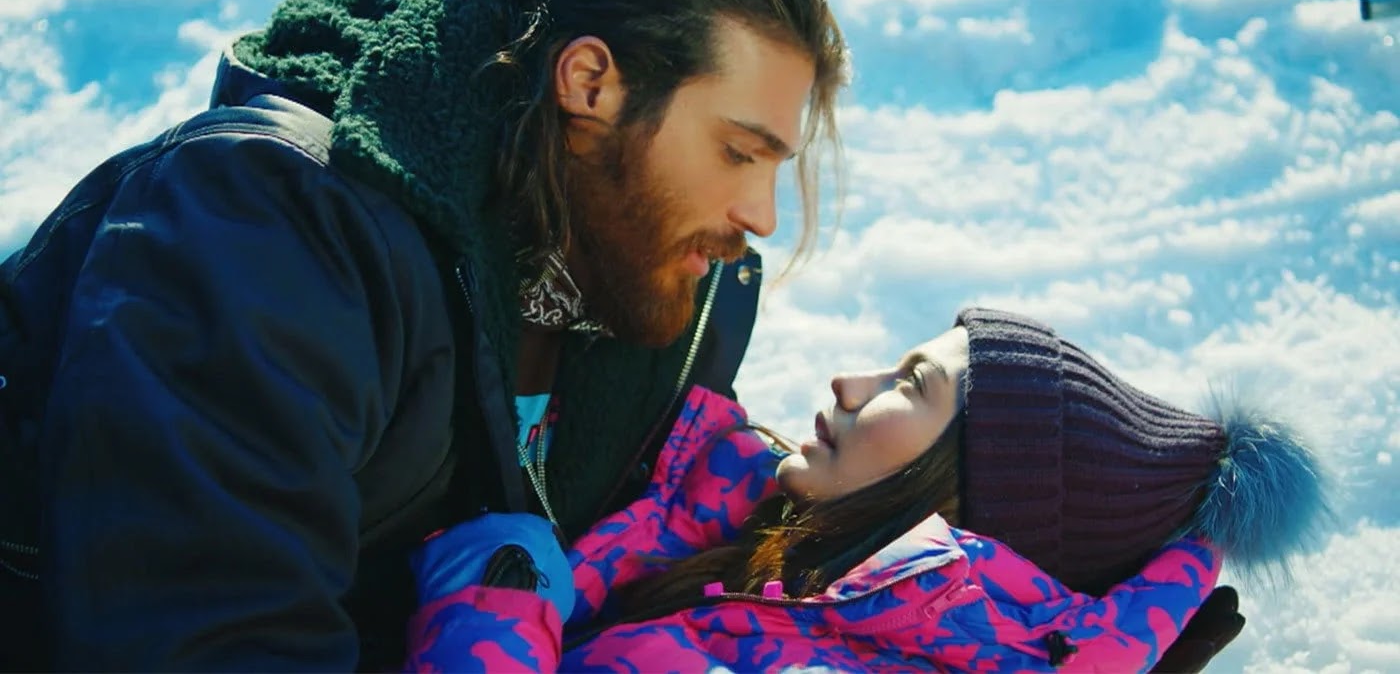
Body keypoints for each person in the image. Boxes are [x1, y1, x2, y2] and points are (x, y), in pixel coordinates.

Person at [0, 0, 847, 669]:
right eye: (738, 152)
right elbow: (208, 638)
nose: (761, 215)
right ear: (591, 85)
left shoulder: (654, 285)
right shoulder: (272, 228)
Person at [405, 307, 1327, 672]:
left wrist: (498, 597)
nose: (849, 383)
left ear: (967, 497)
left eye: (910, 385)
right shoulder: (750, 531)